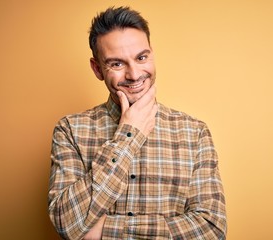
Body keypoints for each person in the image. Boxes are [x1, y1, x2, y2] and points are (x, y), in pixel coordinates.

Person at [48, 6, 227, 240]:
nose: (134, 74)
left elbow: (211, 229)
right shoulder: (70, 130)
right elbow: (66, 222)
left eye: (141, 58)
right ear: (97, 69)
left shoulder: (194, 133)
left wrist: (106, 231)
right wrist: (128, 136)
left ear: (152, 54)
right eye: (117, 64)